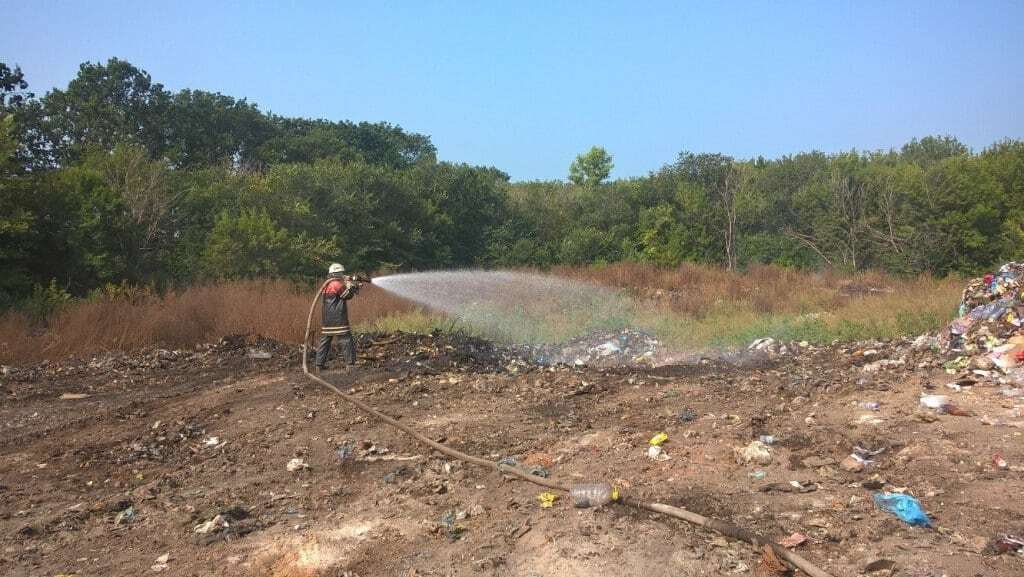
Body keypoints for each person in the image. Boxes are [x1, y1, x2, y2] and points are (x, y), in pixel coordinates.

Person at [316, 263, 360, 370]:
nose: (342, 275)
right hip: (338, 318)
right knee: (346, 340)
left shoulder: (326, 285)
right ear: (337, 273)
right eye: (341, 273)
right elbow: (347, 295)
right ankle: (350, 365)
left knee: (325, 341)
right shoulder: (336, 284)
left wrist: (352, 286)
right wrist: (352, 286)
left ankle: (319, 365)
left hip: (327, 319)